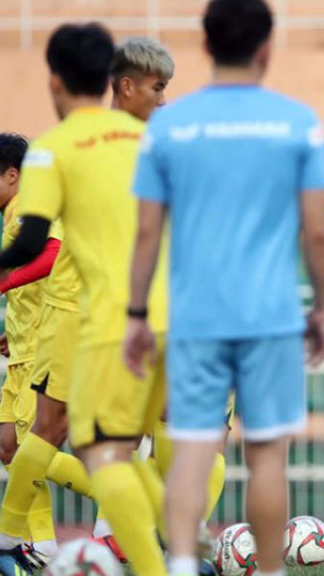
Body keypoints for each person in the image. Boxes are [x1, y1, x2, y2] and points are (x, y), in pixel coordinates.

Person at [124, 2, 324, 576]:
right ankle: (269, 572)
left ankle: (183, 564)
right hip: (269, 316)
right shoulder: (297, 122)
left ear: (206, 47)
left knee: (192, 447)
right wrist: (319, 307)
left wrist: (137, 313)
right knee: (265, 456)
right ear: (266, 48)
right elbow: (317, 230)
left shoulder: (169, 125)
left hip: (194, 316)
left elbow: (146, 231)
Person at [0, 37, 177, 570]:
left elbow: (36, 244)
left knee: (51, 429)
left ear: (56, 81)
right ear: (117, 82)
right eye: (159, 88)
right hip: (154, 311)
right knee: (121, 444)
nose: (164, 100)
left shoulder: (58, 147)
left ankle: (11, 537)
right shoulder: (158, 146)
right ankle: (164, 547)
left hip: (80, 310)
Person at [0, 133, 64, 575]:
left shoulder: (27, 206)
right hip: (20, 350)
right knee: (8, 445)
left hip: (42, 351)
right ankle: (40, 543)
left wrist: (2, 282)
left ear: (11, 175)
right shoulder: (12, 213)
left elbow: (54, 254)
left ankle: (122, 498)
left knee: (28, 446)